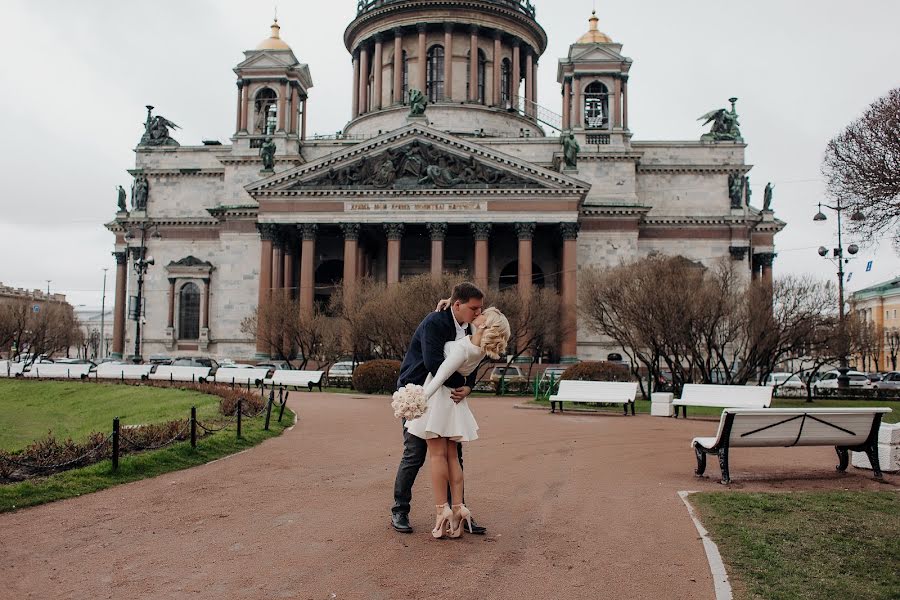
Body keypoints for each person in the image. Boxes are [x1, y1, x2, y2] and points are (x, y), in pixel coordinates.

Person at [405, 306, 510, 538]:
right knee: (452, 456)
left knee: (437, 456)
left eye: (482, 314)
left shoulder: (463, 348)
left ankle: (441, 510)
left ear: (483, 325)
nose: (477, 314)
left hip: (440, 400)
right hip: (455, 402)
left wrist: (417, 401)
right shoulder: (479, 349)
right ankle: (459, 508)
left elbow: (440, 375)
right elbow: (458, 326)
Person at [391, 282, 484, 534]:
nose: (477, 313)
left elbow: (470, 361)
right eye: (473, 308)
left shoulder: (469, 327)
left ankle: (458, 510)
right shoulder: (435, 322)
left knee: (456, 454)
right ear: (457, 305)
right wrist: (463, 384)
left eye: (479, 309)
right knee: (414, 453)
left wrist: (469, 387)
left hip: (446, 398)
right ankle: (400, 510)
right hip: (420, 393)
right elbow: (435, 363)